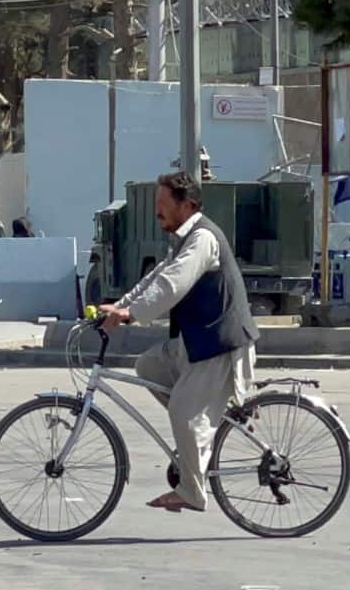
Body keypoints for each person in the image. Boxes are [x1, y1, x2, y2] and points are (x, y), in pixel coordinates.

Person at [99, 171, 258, 514]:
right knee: (148, 366)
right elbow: (155, 278)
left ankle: (192, 490)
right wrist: (121, 305)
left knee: (184, 414)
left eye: (163, 205)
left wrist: (131, 315)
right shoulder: (183, 239)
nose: (158, 212)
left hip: (218, 345)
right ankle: (201, 434)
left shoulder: (202, 240)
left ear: (187, 205)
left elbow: (173, 284)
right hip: (193, 344)